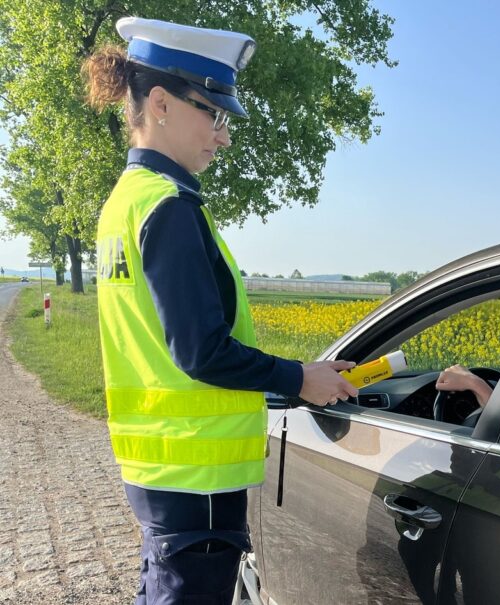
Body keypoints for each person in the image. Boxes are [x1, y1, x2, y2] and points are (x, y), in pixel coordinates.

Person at [83, 17, 358, 604]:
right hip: (197, 477)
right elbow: (201, 351)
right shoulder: (170, 206)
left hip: (161, 469)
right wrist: (299, 378)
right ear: (161, 104)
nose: (223, 136)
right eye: (213, 114)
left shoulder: (126, 202)